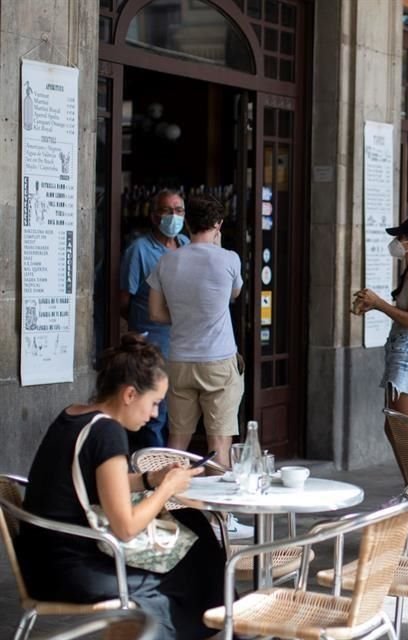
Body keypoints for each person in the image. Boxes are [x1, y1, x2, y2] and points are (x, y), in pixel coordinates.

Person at [16, 334, 225, 639]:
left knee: (193, 527)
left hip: (41, 559)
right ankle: (224, 624)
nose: (155, 414)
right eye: (154, 403)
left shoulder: (74, 415)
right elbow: (125, 528)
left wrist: (151, 479)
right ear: (129, 395)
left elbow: (100, 482)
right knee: (193, 565)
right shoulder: (108, 433)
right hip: (72, 569)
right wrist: (166, 489)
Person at [147, 194, 252, 540]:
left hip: (180, 359)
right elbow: (234, 295)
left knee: (177, 441)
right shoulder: (229, 259)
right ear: (219, 224)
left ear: (187, 223)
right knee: (219, 441)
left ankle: (172, 513)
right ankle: (223, 521)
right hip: (219, 359)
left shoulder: (167, 261)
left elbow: (157, 314)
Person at [118, 189, 189, 450]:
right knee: (153, 416)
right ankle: (150, 474)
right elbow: (124, 300)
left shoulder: (186, 244)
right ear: (153, 215)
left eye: (179, 210)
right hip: (152, 345)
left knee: (178, 415)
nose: (174, 216)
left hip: (182, 346)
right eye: (167, 210)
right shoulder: (139, 250)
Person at [353, 215, 408, 421]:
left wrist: (379, 303)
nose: (396, 242)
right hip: (402, 350)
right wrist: (374, 305)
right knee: (394, 428)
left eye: (401, 237)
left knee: (405, 432)